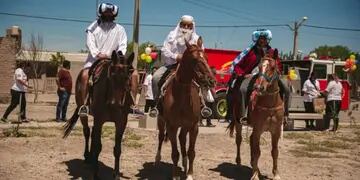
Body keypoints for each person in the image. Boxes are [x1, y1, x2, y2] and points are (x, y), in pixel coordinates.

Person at [78, 2, 133, 117]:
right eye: (105, 12)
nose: (108, 14)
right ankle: (84, 105)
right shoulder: (93, 27)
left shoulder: (120, 29)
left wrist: (117, 57)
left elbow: (123, 45)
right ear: (101, 13)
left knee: (134, 74)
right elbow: (90, 43)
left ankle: (132, 105)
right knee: (84, 76)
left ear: (113, 14)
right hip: (95, 60)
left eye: (110, 12)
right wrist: (98, 54)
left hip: (114, 61)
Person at [227, 29, 290, 122]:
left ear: (267, 40)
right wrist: (243, 75)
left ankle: (285, 114)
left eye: (264, 38)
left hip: (270, 75)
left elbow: (278, 64)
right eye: (260, 38)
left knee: (286, 88)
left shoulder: (272, 51)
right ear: (257, 39)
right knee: (243, 89)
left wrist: (278, 71)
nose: (262, 40)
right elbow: (238, 65)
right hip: (252, 75)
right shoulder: (250, 51)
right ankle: (244, 115)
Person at [151, 15, 204, 114]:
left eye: (189, 26)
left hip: (190, 69)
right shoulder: (171, 35)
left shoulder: (196, 39)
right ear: (180, 25)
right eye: (184, 25)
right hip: (171, 65)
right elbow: (164, 50)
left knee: (203, 80)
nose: (186, 28)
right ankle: (157, 105)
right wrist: (176, 56)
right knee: (155, 77)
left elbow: (201, 53)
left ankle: (203, 106)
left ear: (192, 27)